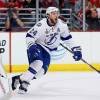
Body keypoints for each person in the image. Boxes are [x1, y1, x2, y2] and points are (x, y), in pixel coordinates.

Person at [11, 7, 82, 94]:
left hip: (47, 51)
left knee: (41, 72)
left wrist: (76, 49)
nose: (56, 15)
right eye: (53, 13)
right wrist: (31, 46)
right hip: (37, 46)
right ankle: (24, 84)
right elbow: (29, 36)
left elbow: (68, 39)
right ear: (48, 15)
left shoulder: (62, 25)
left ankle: (18, 78)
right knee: (38, 63)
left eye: (57, 13)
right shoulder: (41, 25)